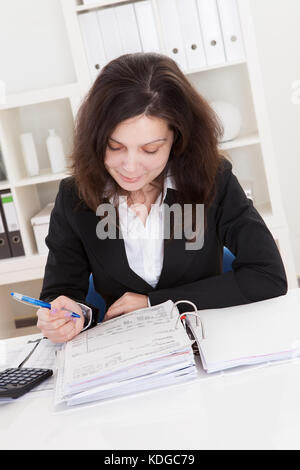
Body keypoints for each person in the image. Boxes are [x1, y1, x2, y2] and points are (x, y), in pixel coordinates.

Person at [37, 52, 287, 343]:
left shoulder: (211, 180)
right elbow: (62, 293)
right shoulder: (75, 198)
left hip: (209, 345)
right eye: (115, 147)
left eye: (150, 149)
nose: (130, 167)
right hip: (129, 355)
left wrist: (157, 303)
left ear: (176, 140)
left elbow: (267, 276)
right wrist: (70, 313)